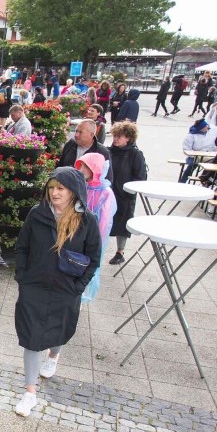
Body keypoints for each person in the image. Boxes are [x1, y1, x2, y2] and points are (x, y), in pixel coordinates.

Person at [13, 167, 101, 416]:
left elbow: (94, 258)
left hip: (66, 289)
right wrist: (22, 277)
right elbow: (22, 247)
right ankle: (30, 392)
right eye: (51, 187)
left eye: (60, 188)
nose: (54, 193)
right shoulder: (37, 214)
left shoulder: (87, 221)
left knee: (59, 329)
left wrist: (78, 287)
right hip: (34, 286)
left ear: (74, 192)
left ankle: (54, 355)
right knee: (31, 337)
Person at [75, 153, 116, 303]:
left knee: (89, 264)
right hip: (77, 233)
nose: (82, 168)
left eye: (86, 165)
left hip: (92, 236)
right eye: (81, 165)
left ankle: (82, 293)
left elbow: (104, 222)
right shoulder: (81, 186)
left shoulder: (105, 192)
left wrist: (95, 238)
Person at [108, 121, 147, 265]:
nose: (115, 139)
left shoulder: (135, 154)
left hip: (124, 195)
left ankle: (120, 252)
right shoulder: (109, 151)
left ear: (128, 138)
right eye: (115, 136)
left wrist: (128, 189)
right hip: (109, 193)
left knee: (122, 223)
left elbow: (141, 176)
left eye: (119, 136)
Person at [58, 120, 113, 184]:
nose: (76, 135)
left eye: (80, 132)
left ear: (91, 135)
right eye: (76, 131)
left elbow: (107, 178)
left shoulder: (102, 152)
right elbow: (60, 165)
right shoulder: (70, 144)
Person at [178, 118, 217, 183]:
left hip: (209, 156)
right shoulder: (191, 135)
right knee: (191, 166)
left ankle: (206, 181)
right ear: (201, 128)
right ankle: (182, 182)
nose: (207, 128)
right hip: (195, 157)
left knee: (213, 166)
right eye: (205, 127)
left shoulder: (211, 131)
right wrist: (195, 155)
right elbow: (186, 149)